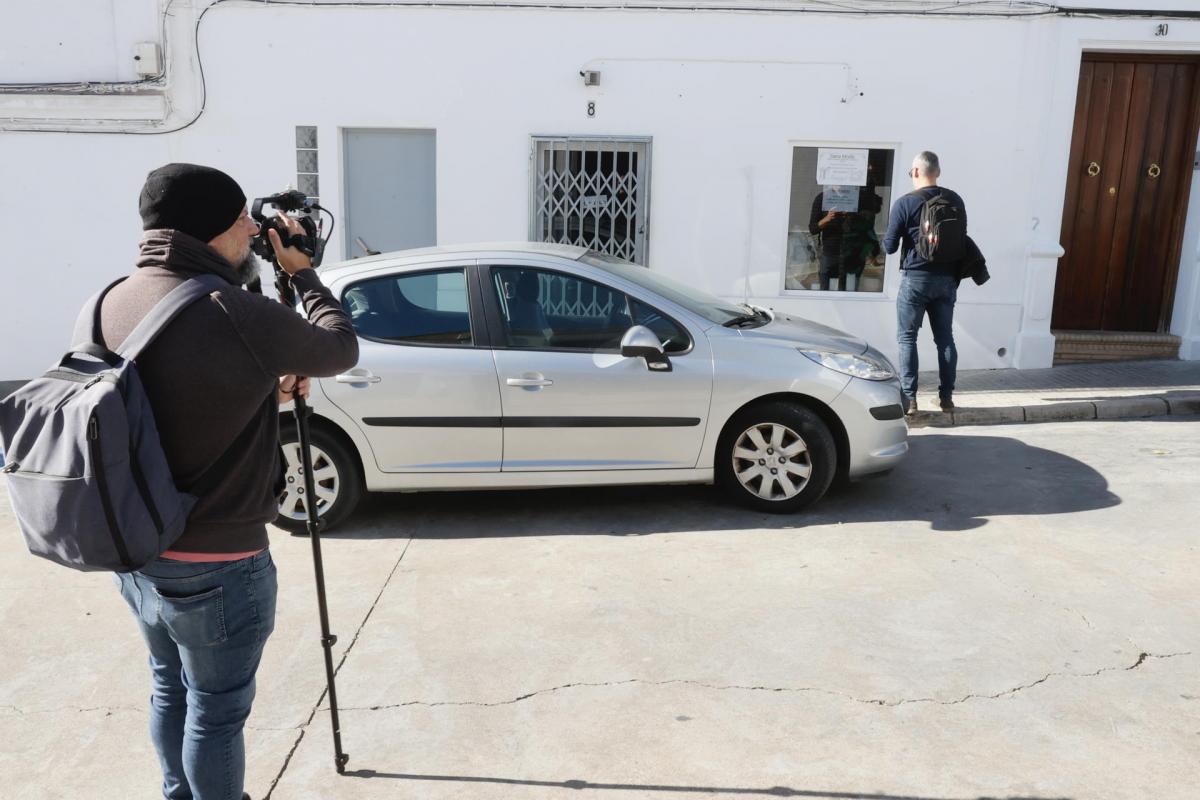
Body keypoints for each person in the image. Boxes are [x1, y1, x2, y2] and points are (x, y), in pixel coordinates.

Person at [102, 163, 359, 800]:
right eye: (242, 216)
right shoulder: (230, 307)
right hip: (220, 560)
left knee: (170, 689)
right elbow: (339, 347)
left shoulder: (110, 300)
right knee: (216, 713)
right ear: (213, 230)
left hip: (135, 547)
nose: (253, 227)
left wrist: (261, 393)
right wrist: (301, 273)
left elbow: (163, 404)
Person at [883, 151, 966, 414]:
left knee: (907, 338)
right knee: (945, 339)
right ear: (937, 172)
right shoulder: (955, 200)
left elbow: (890, 247)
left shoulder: (905, 203)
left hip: (916, 280)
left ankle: (910, 400)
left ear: (917, 172)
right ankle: (946, 399)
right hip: (946, 280)